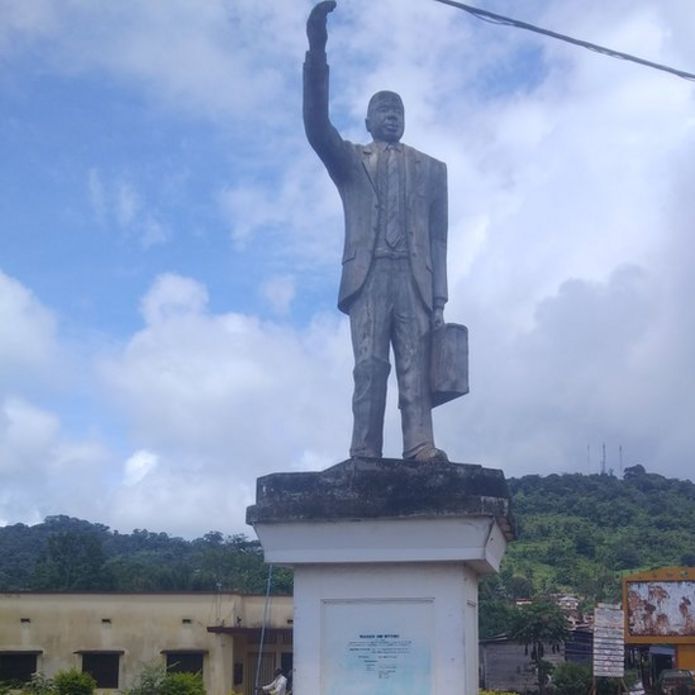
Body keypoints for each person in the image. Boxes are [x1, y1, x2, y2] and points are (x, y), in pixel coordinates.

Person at [304, 1, 449, 462]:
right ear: (367, 120)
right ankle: (364, 451)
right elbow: (315, 126)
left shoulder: (432, 169)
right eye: (382, 109)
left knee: (415, 369)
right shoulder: (350, 161)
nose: (391, 114)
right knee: (369, 367)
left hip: (415, 278)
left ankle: (420, 445)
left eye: (397, 109)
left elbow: (440, 238)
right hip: (368, 275)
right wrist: (317, 47)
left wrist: (441, 299)